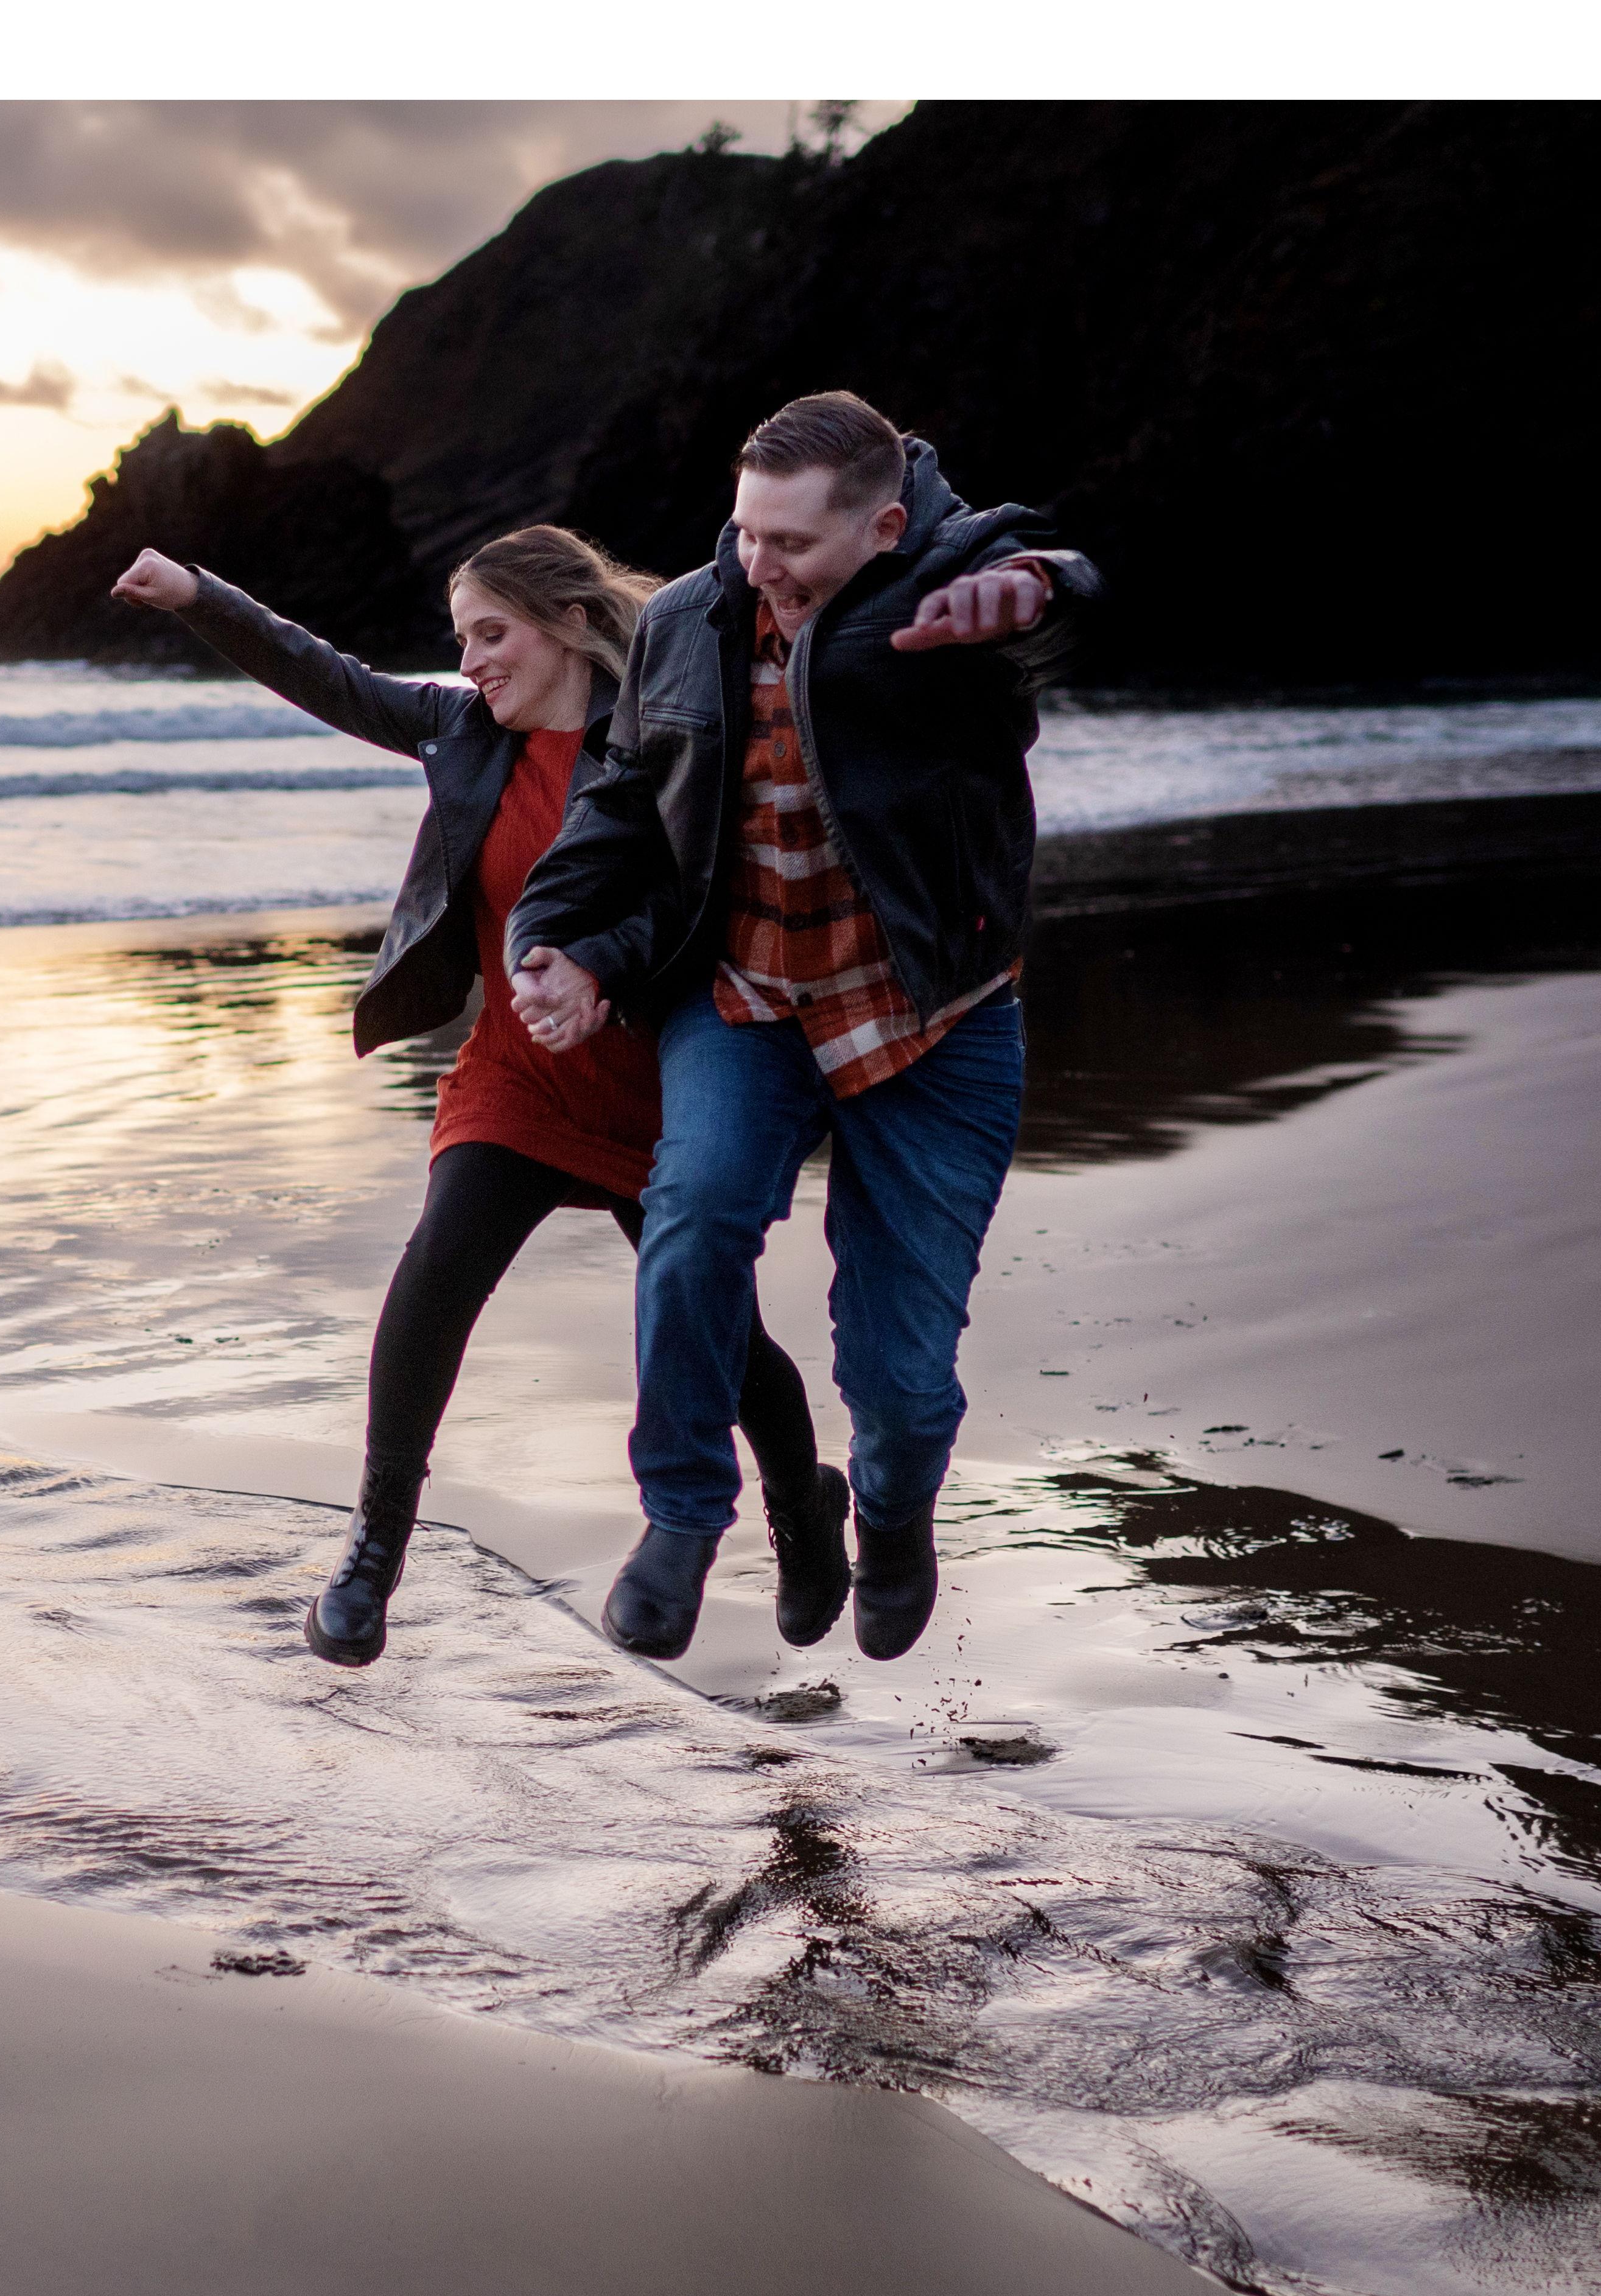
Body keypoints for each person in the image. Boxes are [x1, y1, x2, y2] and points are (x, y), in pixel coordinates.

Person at [107, 529, 843, 1667]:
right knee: (434, 1279)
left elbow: (706, 902)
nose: (472, 661)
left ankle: (802, 1503)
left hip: (656, 1080)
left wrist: (608, 977)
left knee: (722, 1334)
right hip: (514, 1075)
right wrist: (199, 595)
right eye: (461, 641)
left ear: (567, 626)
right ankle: (374, 1553)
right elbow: (329, 677)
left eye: (491, 634)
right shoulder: (461, 731)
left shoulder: (663, 738)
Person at [506, 391, 1099, 1664]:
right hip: (747, 1000)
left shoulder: (956, 588)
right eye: (746, 532)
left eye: (792, 543)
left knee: (903, 1378)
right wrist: (551, 941)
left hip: (933, 1020)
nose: (758, 564)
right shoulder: (689, 619)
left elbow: (1051, 591)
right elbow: (621, 798)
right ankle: (682, 1513)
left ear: (882, 528)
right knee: (691, 1222)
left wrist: (1034, 592)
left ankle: (891, 1511)